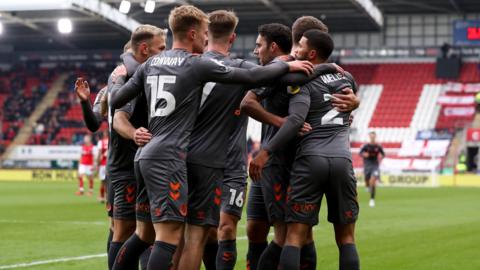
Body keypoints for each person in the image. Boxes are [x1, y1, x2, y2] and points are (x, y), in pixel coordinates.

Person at [110, 5, 315, 269]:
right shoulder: (199, 64)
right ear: (194, 34)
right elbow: (254, 74)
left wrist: (118, 77)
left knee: (144, 234)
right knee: (176, 237)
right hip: (175, 158)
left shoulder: (151, 62)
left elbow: (116, 99)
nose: (206, 39)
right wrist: (286, 62)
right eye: (203, 34)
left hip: (146, 155)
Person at [241, 17, 358, 270]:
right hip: (277, 161)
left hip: (296, 161)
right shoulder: (285, 66)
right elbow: (248, 102)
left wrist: (354, 103)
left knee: (295, 236)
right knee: (269, 232)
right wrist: (281, 124)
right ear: (302, 42)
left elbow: (346, 99)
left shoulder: (305, 72)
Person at [360, 131, 385, 207]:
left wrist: (381, 156)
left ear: (375, 137)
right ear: (369, 137)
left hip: (375, 166)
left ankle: (372, 199)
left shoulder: (378, 146)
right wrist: (364, 154)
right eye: (371, 136)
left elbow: (383, 154)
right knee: (367, 180)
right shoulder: (366, 146)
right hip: (367, 165)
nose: (372, 137)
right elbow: (360, 153)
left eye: (373, 136)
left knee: (373, 180)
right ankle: (367, 186)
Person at [96, 129, 109, 203]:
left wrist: (97, 165)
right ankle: (108, 198)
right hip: (110, 164)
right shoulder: (111, 141)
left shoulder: (101, 142)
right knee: (109, 182)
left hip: (103, 164)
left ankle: (101, 197)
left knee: (102, 181)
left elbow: (99, 154)